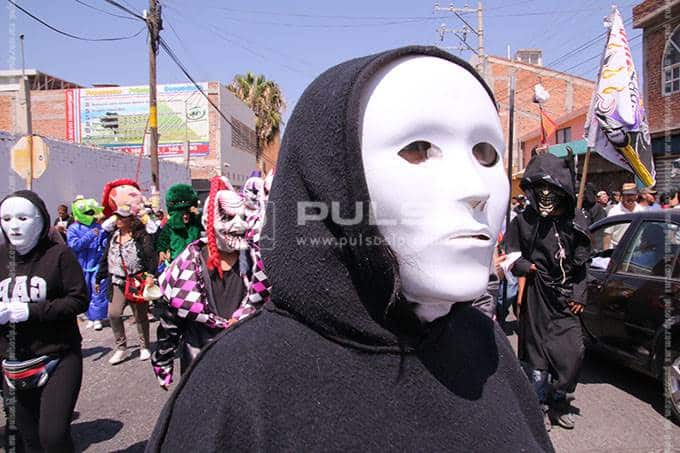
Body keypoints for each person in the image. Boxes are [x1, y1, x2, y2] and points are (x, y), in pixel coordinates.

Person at [148, 46, 553, 452]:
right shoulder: (234, 389)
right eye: (418, 148)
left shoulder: (485, 344)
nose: (477, 189)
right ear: (330, 181)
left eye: (486, 153)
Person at [151, 175, 270, 389]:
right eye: (228, 217)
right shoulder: (187, 265)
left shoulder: (257, 262)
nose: (239, 225)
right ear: (208, 222)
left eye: (243, 217)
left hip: (246, 359)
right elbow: (170, 321)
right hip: (199, 361)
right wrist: (163, 361)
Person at [506, 153, 591, 431]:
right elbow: (511, 256)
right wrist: (525, 266)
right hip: (536, 296)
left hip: (565, 299)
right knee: (537, 356)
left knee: (573, 353)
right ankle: (539, 406)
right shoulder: (523, 221)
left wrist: (579, 293)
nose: (545, 195)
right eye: (540, 189)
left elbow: (582, 264)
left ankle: (559, 400)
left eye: (551, 189)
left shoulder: (575, 219)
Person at [0, 190, 88, 452]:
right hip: (13, 363)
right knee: (30, 440)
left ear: (40, 221)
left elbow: (78, 300)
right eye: (6, 219)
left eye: (23, 218)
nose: (14, 226)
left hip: (57, 356)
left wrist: (31, 311)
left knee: (53, 436)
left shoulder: (59, 255)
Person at [95, 205, 156, 365]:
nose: (119, 220)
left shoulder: (140, 236)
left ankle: (144, 346)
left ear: (130, 220)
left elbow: (150, 256)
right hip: (117, 281)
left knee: (140, 315)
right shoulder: (113, 236)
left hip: (136, 280)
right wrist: (98, 278)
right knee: (114, 314)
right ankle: (121, 347)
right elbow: (106, 257)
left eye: (122, 217)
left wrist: (151, 275)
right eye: (117, 217)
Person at [67, 196, 108, 331]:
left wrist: (104, 240)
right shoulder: (73, 229)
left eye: (92, 212)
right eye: (88, 213)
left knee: (98, 289)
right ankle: (89, 315)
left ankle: (97, 318)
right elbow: (74, 245)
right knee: (85, 291)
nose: (91, 215)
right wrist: (90, 236)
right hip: (81, 265)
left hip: (97, 264)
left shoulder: (99, 227)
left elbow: (105, 244)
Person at [155, 184, 202, 262]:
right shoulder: (170, 225)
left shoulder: (196, 223)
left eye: (187, 213)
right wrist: (161, 251)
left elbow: (208, 223)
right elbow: (162, 240)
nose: (185, 216)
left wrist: (199, 213)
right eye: (182, 214)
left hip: (195, 261)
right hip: (177, 263)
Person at [606, 182, 643, 248]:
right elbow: (607, 234)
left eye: (632, 195)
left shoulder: (642, 211)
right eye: (627, 195)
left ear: (637, 195)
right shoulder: (614, 212)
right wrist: (606, 252)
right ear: (622, 196)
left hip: (637, 250)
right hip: (618, 250)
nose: (630, 197)